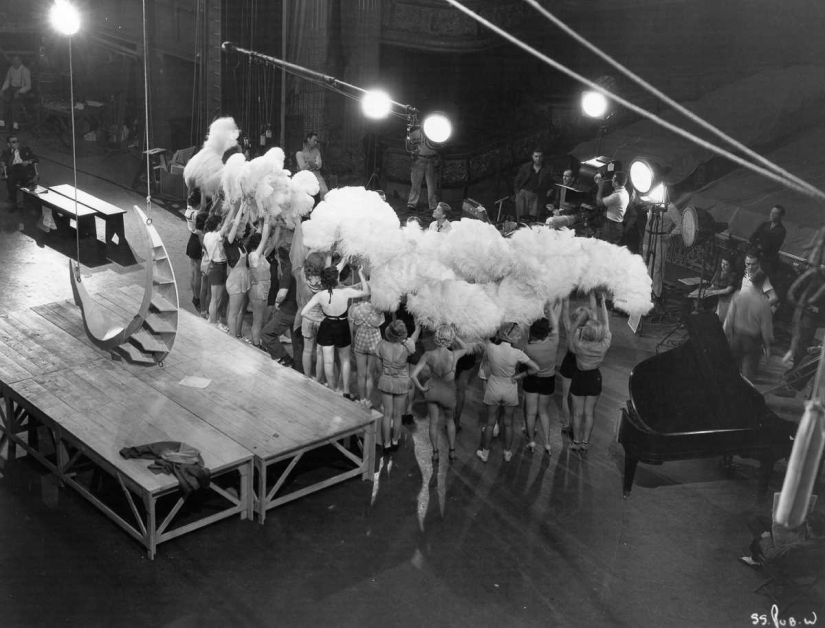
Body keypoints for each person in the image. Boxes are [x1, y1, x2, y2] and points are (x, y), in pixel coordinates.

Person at [300, 265, 370, 398]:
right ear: (336, 278)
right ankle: (346, 391)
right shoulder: (345, 292)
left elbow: (304, 313)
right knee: (345, 360)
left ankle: (332, 391)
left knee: (328, 361)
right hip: (342, 325)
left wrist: (318, 319)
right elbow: (366, 292)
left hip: (327, 326)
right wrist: (361, 274)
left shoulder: (320, 295)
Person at [476, 323, 539, 463]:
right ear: (506, 335)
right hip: (510, 389)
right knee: (508, 424)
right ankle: (507, 453)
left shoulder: (491, 347)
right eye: (516, 333)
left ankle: (485, 453)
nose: (520, 336)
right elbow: (536, 368)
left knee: (490, 423)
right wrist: (519, 376)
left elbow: (484, 349)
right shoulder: (517, 353)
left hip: (493, 388)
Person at [411, 325, 468, 463]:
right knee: (450, 421)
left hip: (432, 390)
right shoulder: (454, 355)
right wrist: (456, 337)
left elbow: (413, 375)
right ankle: (452, 451)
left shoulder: (428, 355)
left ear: (436, 338)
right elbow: (465, 348)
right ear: (450, 339)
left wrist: (422, 388)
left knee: (433, 423)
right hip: (448, 393)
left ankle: (435, 453)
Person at [569, 293, 612, 454]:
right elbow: (606, 324)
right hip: (595, 378)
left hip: (579, 378)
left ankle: (576, 441)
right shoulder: (604, 345)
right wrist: (604, 304)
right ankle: (586, 443)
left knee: (577, 413)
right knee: (589, 413)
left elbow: (573, 329)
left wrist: (579, 322)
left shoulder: (579, 345)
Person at [376, 319, 422, 450]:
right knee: (398, 415)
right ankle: (395, 441)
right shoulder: (407, 346)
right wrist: (418, 328)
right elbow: (413, 338)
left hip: (386, 380)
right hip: (401, 382)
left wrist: (384, 376)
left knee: (387, 414)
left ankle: (386, 444)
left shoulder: (381, 345)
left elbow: (379, 366)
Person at [523, 302, 561, 456]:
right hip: (548, 381)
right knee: (544, 412)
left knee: (531, 413)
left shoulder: (528, 348)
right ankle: (547, 443)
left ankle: (531, 441)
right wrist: (551, 309)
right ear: (547, 333)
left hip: (532, 380)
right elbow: (556, 327)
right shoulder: (553, 343)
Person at [723, 270, 773, 382]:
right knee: (747, 378)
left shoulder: (737, 296)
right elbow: (766, 328)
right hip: (752, 342)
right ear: (762, 284)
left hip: (736, 338)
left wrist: (725, 337)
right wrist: (768, 347)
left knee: (730, 371)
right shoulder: (763, 303)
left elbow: (729, 319)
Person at [559, 296, 593, 434]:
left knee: (565, 396)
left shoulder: (569, 328)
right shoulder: (590, 331)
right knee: (577, 398)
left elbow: (565, 308)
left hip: (569, 362)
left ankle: (567, 424)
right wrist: (592, 292)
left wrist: (566, 289)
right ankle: (575, 424)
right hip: (582, 364)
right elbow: (594, 312)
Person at [641, 202, 683, 299]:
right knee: (645, 265)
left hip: (659, 239)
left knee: (656, 268)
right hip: (648, 236)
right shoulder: (653, 202)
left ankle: (655, 295)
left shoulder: (671, 207)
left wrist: (670, 235)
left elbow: (681, 224)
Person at [349, 299, 384, 409]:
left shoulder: (356, 308)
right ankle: (368, 401)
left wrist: (351, 340)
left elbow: (352, 323)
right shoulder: (378, 310)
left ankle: (362, 400)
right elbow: (381, 322)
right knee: (369, 375)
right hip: (374, 342)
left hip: (360, 341)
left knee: (361, 374)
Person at [246, 217, 273, 347]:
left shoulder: (260, 256)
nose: (265, 244)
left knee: (261, 320)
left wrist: (276, 227)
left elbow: (272, 244)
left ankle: (257, 341)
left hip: (264, 289)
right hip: (258, 291)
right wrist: (267, 221)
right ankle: (255, 344)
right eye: (263, 244)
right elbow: (264, 239)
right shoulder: (253, 256)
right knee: (258, 320)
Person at [513, 148, 553, 221]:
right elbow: (517, 180)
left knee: (533, 219)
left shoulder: (547, 169)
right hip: (523, 194)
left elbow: (552, 180)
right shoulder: (526, 167)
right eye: (536, 156)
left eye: (540, 156)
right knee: (521, 219)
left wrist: (550, 189)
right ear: (532, 156)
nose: (538, 158)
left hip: (537, 196)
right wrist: (517, 192)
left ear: (542, 157)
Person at [1, 134, 38, 211]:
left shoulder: (25, 149)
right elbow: (2, 160)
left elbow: (36, 158)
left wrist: (28, 161)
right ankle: (14, 202)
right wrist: (2, 163)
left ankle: (25, 202)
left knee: (25, 180)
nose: (16, 143)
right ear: (9, 144)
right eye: (14, 142)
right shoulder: (6, 152)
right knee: (11, 181)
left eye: (17, 141)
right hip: (13, 170)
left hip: (25, 168)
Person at [749, 205, 786, 277]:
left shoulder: (781, 231)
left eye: (775, 213)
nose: (771, 215)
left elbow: (770, 247)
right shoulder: (765, 224)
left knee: (755, 279)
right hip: (756, 255)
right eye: (771, 212)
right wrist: (759, 245)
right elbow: (752, 238)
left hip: (767, 261)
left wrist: (760, 244)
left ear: (780, 216)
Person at [406, 126, 438, 211]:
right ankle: (412, 203)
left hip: (431, 159)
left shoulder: (437, 132)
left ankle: (433, 205)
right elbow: (408, 143)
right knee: (415, 182)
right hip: (419, 159)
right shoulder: (416, 133)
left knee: (432, 185)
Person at [594, 170, 630, 245]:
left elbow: (599, 202)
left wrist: (600, 186)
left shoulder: (617, 196)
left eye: (613, 179)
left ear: (616, 183)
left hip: (611, 227)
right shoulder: (625, 192)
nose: (611, 180)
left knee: (606, 248)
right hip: (617, 225)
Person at [701, 254, 739, 320]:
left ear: (731, 266)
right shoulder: (719, 271)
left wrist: (714, 292)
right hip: (714, 296)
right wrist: (707, 290)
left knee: (712, 312)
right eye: (722, 263)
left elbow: (728, 290)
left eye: (726, 264)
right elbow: (713, 285)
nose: (723, 266)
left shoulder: (733, 275)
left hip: (724, 298)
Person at [184, 189, 204, 311]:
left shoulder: (188, 209)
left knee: (193, 271)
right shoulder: (197, 214)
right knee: (198, 273)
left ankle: (195, 295)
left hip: (192, 240)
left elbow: (189, 195)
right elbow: (203, 206)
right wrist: (202, 190)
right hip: (197, 241)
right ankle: (197, 297)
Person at [0, 55, 31, 131]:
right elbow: (7, 81)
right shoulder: (11, 69)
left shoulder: (25, 70)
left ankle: (15, 125)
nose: (15, 63)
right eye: (13, 61)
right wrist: (2, 90)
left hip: (22, 89)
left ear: (20, 61)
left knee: (14, 104)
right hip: (11, 88)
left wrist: (19, 91)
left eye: (17, 61)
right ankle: (1, 123)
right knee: (2, 101)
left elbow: (28, 86)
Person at [295, 131, 328, 200]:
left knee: (324, 191)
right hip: (304, 175)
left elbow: (319, 165)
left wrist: (310, 164)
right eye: (314, 140)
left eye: (316, 141)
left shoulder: (316, 151)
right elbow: (302, 168)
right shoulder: (300, 152)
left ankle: (323, 209)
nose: (316, 142)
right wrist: (311, 164)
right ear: (308, 139)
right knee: (302, 194)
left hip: (316, 174)